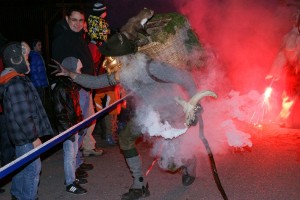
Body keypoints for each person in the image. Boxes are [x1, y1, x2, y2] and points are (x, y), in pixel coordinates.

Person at [51, 33, 213, 200]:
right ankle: (139, 184)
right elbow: (97, 82)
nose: (113, 61)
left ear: (127, 56)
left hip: (171, 113)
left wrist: (195, 105)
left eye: (116, 57)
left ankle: (189, 161)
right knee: (125, 138)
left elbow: (185, 78)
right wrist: (71, 74)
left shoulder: (152, 66)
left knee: (171, 164)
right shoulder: (122, 72)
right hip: (147, 115)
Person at [51, 6, 103, 180]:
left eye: (81, 20)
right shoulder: (63, 38)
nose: (78, 23)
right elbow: (59, 67)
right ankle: (74, 168)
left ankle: (78, 161)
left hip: (84, 86)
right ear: (67, 19)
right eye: (74, 20)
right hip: (75, 89)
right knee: (77, 128)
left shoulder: (78, 37)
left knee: (83, 126)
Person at [0, 41, 54, 200]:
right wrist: (34, 137)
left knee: (21, 166)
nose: (28, 60)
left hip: (21, 136)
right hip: (25, 136)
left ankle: (17, 194)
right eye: (26, 56)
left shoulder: (17, 78)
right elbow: (22, 114)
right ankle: (28, 197)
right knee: (32, 169)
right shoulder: (16, 82)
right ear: (16, 59)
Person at [52, 57, 87, 195]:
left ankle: (72, 178)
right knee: (69, 155)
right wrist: (68, 132)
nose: (80, 71)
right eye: (79, 69)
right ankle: (70, 183)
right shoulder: (61, 88)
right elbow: (60, 113)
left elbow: (75, 108)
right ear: (71, 70)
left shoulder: (71, 85)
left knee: (73, 155)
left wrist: (81, 122)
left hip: (74, 126)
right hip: (68, 128)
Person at [266, 12, 300, 128]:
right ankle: (284, 119)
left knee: (289, 95)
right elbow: (282, 54)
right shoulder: (290, 37)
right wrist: (275, 71)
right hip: (293, 71)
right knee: (289, 95)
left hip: (295, 69)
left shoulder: (290, 37)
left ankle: (284, 119)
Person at [28, 39, 49, 104]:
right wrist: (38, 84)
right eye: (39, 45)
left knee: (42, 101)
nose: (41, 46)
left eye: (41, 45)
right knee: (39, 102)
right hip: (38, 84)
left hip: (40, 83)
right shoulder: (34, 56)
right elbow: (33, 71)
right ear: (34, 46)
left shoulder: (37, 55)